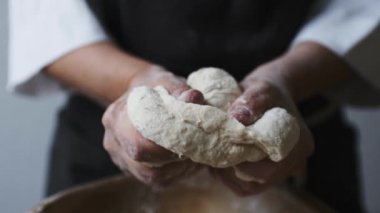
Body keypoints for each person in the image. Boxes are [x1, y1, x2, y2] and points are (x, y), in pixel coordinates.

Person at [8, 0, 380, 212]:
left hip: (300, 134)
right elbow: (45, 16)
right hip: (106, 143)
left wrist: (285, 79)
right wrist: (135, 83)